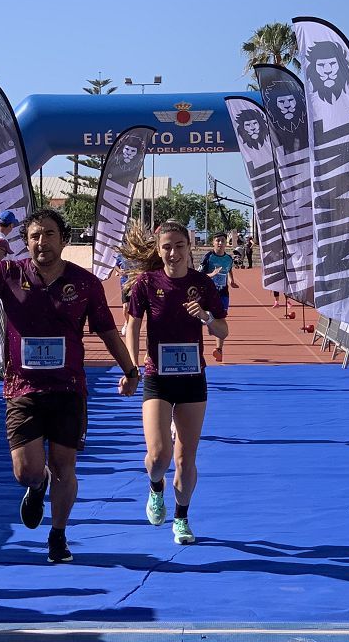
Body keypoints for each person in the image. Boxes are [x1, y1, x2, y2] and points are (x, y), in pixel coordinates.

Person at [0, 208, 139, 564]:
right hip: (23, 389)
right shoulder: (9, 273)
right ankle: (37, 484)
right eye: (34, 235)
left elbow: (108, 330)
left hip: (68, 389)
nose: (41, 241)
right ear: (26, 242)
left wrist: (130, 368)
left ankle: (58, 535)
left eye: (49, 234)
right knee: (26, 471)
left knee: (66, 466)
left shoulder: (85, 283)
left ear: (63, 239)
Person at [122, 221, 228, 545]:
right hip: (157, 377)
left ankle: (181, 518)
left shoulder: (201, 284)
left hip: (193, 379)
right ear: (158, 249)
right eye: (167, 246)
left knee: (185, 459)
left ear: (189, 246)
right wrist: (131, 370)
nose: (173, 253)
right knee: (158, 457)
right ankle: (156, 488)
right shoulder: (145, 283)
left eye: (180, 245)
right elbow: (132, 327)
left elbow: (223, 331)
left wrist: (207, 318)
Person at [198, 232, 237, 363]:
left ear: (226, 243)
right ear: (213, 242)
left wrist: (231, 280)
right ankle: (197, 349)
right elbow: (199, 275)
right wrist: (212, 274)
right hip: (207, 294)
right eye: (217, 241)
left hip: (223, 294)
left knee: (221, 320)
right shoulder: (208, 257)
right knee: (200, 320)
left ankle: (219, 350)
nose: (220, 243)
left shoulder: (228, 258)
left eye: (222, 241)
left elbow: (229, 269)